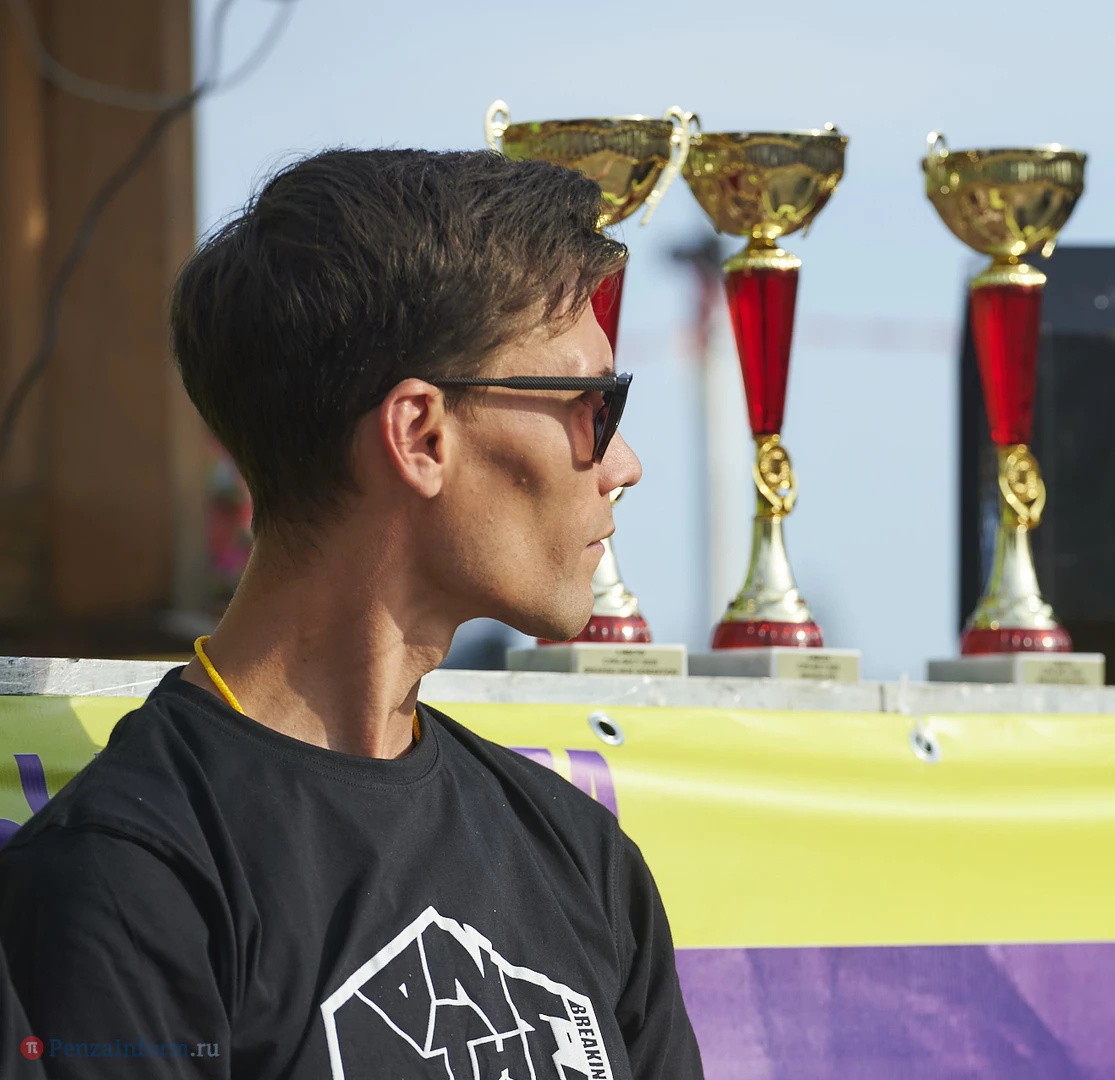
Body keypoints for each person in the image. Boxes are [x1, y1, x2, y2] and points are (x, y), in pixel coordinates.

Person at [0, 149, 702, 1080]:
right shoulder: (130, 879)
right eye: (591, 405)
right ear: (420, 435)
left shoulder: (583, 858)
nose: (623, 465)